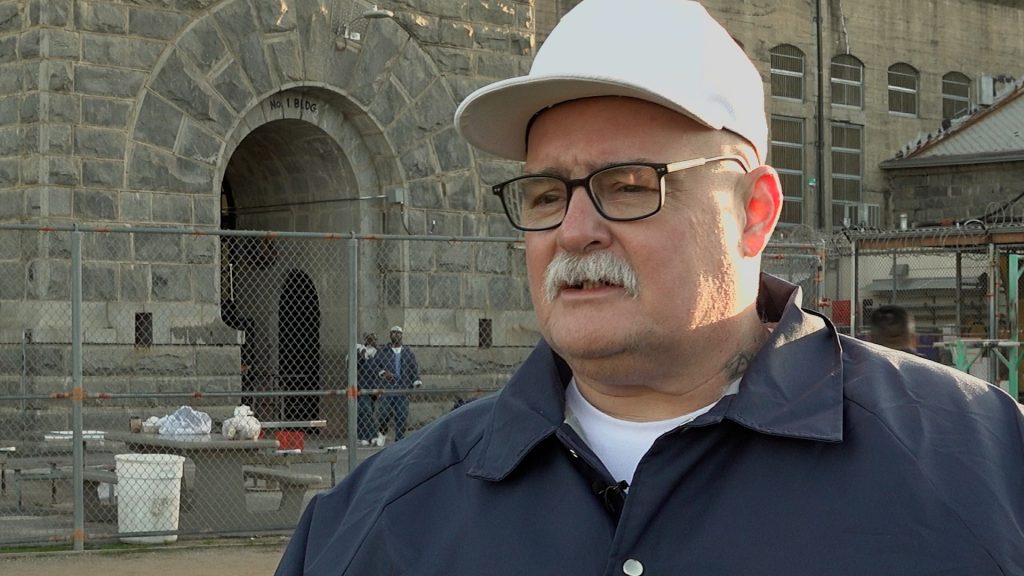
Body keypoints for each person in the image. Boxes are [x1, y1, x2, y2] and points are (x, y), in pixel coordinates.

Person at [276, 1, 1024, 574]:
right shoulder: (367, 528)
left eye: (630, 185)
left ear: (754, 212)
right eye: (544, 194)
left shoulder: (984, 467)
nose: (574, 231)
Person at [372, 326, 422, 444]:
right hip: (387, 388)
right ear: (390, 335)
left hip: (402, 388)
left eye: (398, 333)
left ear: (402, 335)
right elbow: (375, 366)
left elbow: (413, 370)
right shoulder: (383, 352)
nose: (396, 335)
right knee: (384, 413)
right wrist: (384, 373)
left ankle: (400, 439)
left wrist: (416, 383)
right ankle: (382, 434)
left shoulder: (408, 353)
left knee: (401, 414)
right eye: (394, 333)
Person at [353, 332, 381, 446]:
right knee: (365, 410)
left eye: (372, 339)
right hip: (362, 386)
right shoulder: (359, 351)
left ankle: (364, 435)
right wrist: (362, 354)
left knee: (368, 411)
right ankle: (370, 435)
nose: (370, 341)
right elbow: (356, 365)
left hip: (374, 386)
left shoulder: (378, 353)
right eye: (368, 339)